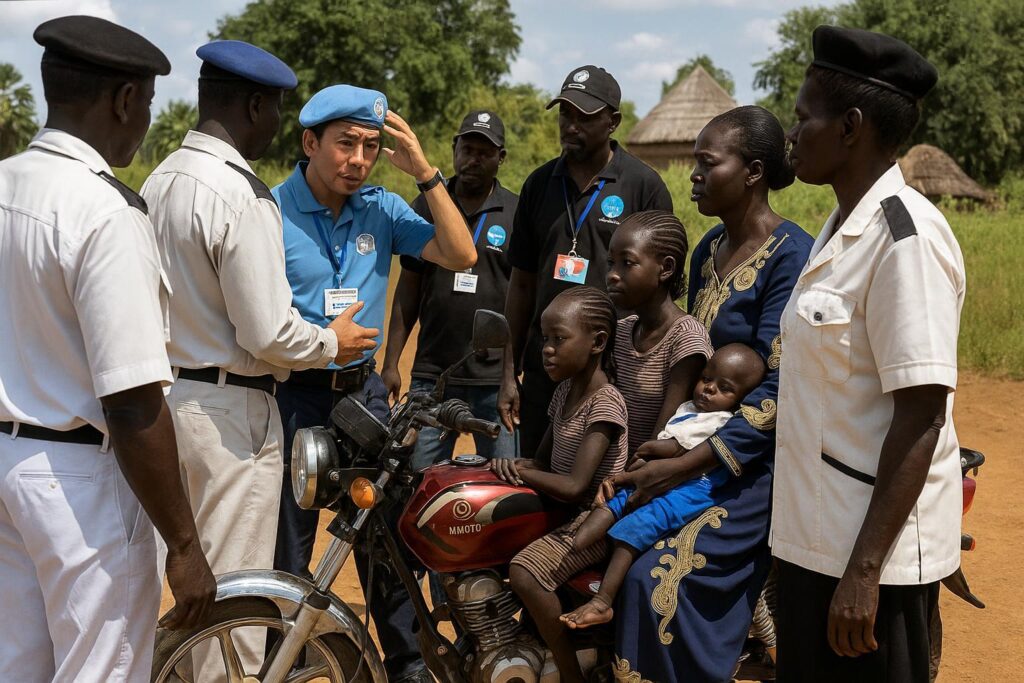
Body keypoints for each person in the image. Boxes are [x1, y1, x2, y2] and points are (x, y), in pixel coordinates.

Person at [140, 41, 374, 671]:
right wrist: (332, 342)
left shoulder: (161, 178)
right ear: (253, 107)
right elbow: (268, 334)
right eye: (275, 110)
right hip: (231, 415)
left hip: (164, 404)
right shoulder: (243, 194)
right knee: (231, 595)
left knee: (174, 589)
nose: (277, 124)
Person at [0, 16, 215, 682]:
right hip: (78, 484)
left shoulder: (5, 182)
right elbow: (131, 400)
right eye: (146, 103)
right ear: (125, 100)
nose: (145, 121)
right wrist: (184, 544)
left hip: (8, 464)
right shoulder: (104, 211)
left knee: (18, 665)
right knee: (101, 670)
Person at [772, 27, 964, 683]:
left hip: (873, 565)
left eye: (803, 117)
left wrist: (864, 570)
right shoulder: (837, 230)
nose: (792, 133)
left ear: (850, 127)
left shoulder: (906, 241)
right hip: (814, 542)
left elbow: (922, 415)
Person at [272, 84, 476, 683]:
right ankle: (285, 661)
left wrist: (425, 172)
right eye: (345, 144)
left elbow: (461, 254)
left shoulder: (382, 210)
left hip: (364, 398)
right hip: (293, 394)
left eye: (368, 146)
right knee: (289, 537)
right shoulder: (270, 211)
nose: (358, 159)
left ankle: (407, 664)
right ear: (310, 143)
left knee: (383, 533)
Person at [611, 105, 814, 682]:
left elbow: (777, 388)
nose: (694, 175)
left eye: (707, 162)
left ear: (752, 172)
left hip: (754, 466)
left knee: (653, 579)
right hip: (689, 443)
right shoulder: (706, 250)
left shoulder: (792, 256)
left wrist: (683, 465)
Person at [499, 65, 672, 459]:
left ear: (613, 122)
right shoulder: (538, 184)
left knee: (606, 480)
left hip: (618, 371)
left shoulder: (643, 186)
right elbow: (521, 283)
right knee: (540, 474)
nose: (571, 126)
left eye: (585, 117)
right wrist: (508, 373)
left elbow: (660, 293)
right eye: (565, 114)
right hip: (548, 368)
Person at [562, 343, 767, 629]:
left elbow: (675, 448)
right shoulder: (688, 408)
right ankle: (577, 543)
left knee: (637, 527)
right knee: (617, 501)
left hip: (691, 490)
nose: (709, 389)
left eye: (724, 388)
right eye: (706, 379)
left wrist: (649, 450)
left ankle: (602, 602)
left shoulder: (720, 422)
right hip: (660, 476)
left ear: (740, 399)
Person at [491, 286, 628, 683]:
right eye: (545, 338)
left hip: (595, 520)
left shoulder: (605, 403)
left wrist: (520, 471)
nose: (546, 350)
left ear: (597, 342)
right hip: (562, 509)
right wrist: (503, 468)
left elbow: (574, 485)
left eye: (559, 339)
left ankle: (569, 672)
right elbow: (542, 461)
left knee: (524, 572)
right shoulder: (564, 391)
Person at [383, 109, 518, 469]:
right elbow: (408, 288)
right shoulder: (430, 205)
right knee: (419, 478)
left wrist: (511, 377)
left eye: (484, 152)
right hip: (433, 376)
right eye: (467, 149)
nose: (473, 159)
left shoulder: (515, 212)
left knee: (502, 482)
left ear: (501, 158)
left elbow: (521, 301)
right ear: (454, 149)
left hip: (493, 381)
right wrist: (391, 363)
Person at [604, 210, 713, 456]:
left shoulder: (685, 339)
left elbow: (662, 438)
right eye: (611, 263)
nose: (612, 275)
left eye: (627, 263)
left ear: (666, 268)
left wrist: (626, 475)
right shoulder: (621, 331)